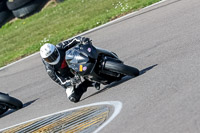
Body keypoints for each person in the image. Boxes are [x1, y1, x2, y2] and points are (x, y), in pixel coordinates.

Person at [40, 36, 96, 103]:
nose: (52, 59)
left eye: (53, 55)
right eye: (48, 59)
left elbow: (73, 40)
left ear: (55, 50)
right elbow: (60, 81)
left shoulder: (59, 47)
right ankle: (87, 83)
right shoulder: (49, 69)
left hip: (75, 62)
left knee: (87, 52)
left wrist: (82, 39)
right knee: (73, 97)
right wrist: (70, 81)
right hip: (68, 76)